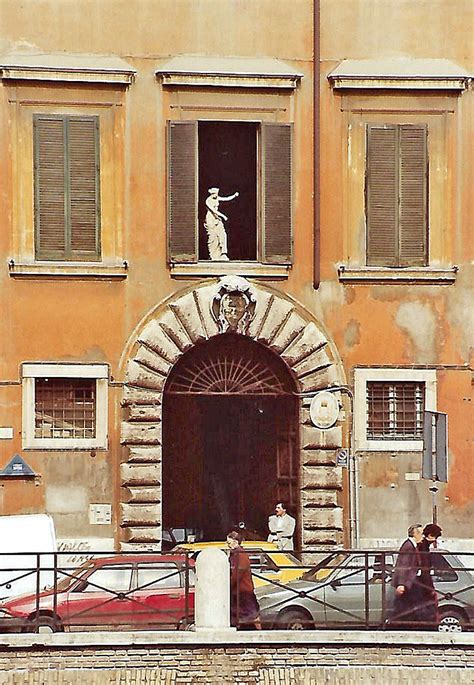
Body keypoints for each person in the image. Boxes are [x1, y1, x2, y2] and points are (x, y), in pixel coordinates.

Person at [389, 523, 423, 628]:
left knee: (408, 606)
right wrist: (401, 584)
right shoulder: (409, 546)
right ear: (415, 534)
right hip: (407, 583)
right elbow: (403, 565)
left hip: (410, 582)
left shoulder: (412, 545)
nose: (423, 536)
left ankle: (404, 625)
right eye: (421, 533)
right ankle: (397, 625)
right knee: (403, 607)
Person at [226, 530, 261, 630]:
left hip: (243, 589)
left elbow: (238, 572)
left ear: (236, 541)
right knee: (241, 613)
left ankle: (260, 634)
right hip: (239, 589)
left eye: (229, 543)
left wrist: (229, 583)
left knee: (252, 613)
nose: (228, 545)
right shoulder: (235, 554)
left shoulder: (240, 554)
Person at [414, 523, 442, 630]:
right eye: (435, 537)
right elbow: (425, 569)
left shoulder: (422, 546)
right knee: (426, 610)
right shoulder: (423, 547)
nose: (435, 540)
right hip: (422, 585)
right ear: (430, 535)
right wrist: (430, 588)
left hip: (420, 583)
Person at [204, 187, 239, 261]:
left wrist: (234, 196)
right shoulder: (208, 201)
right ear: (211, 194)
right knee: (212, 237)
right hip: (211, 219)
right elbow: (213, 211)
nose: (216, 195)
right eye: (215, 194)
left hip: (217, 219)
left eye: (217, 194)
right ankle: (213, 255)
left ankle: (223, 253)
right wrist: (223, 216)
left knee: (222, 234)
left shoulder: (217, 198)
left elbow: (226, 199)